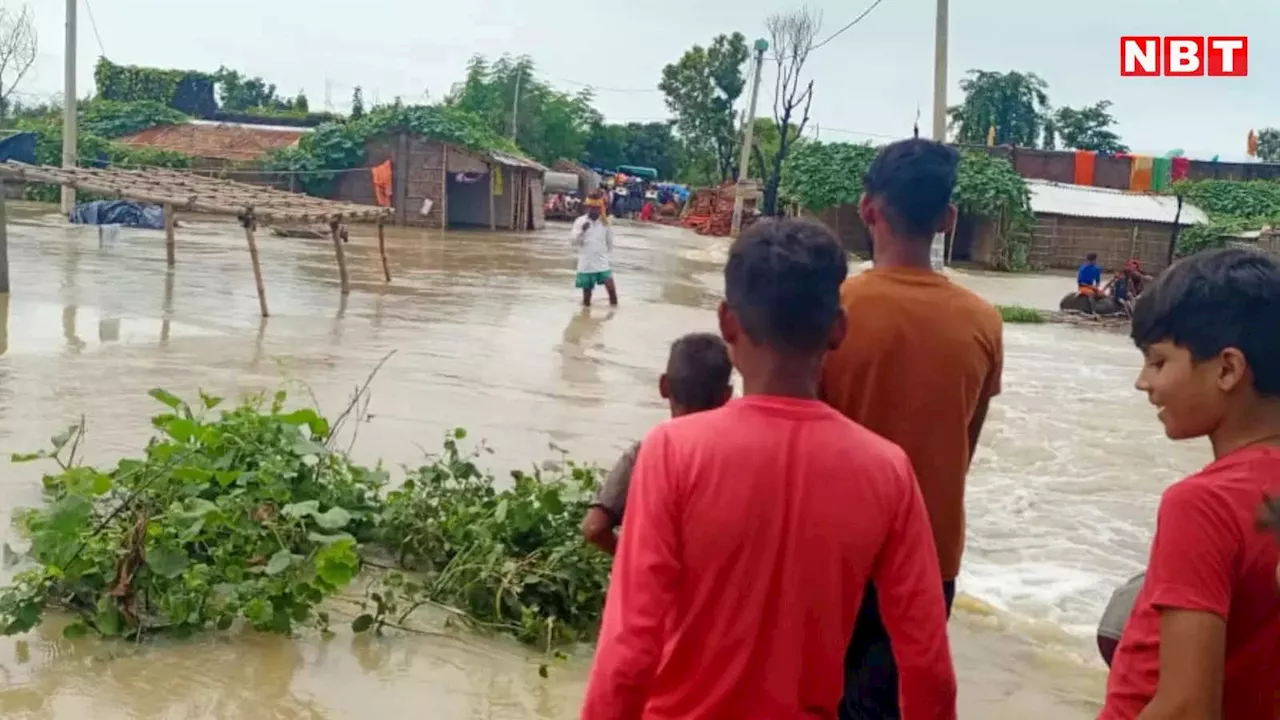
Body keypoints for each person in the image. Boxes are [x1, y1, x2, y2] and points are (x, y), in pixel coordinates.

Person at [581, 218, 956, 720]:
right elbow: (927, 662)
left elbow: (629, 649)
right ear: (839, 329)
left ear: (727, 323)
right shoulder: (887, 470)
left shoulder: (671, 452)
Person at [819, 138, 1002, 720]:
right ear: (948, 219)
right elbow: (965, 442)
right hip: (930, 552)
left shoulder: (831, 308)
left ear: (868, 209)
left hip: (833, 550)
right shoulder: (982, 320)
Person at [1100, 247, 1280, 720]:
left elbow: (1185, 708)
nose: (1143, 382)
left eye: (1158, 362)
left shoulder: (1203, 503)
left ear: (1227, 369)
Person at [580, 332, 733, 555]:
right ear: (726, 396)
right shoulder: (739, 457)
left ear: (663, 386)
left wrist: (638, 559)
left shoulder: (645, 452)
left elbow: (593, 528)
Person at [572, 204, 618, 307]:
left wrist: (606, 255)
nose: (594, 210)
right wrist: (582, 231)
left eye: (597, 208)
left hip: (602, 262)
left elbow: (609, 241)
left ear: (601, 208)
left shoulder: (605, 222)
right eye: (592, 208)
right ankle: (585, 317)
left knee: (611, 290)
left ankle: (613, 315)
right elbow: (573, 242)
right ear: (587, 208)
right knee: (587, 298)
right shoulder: (580, 221)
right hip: (586, 263)